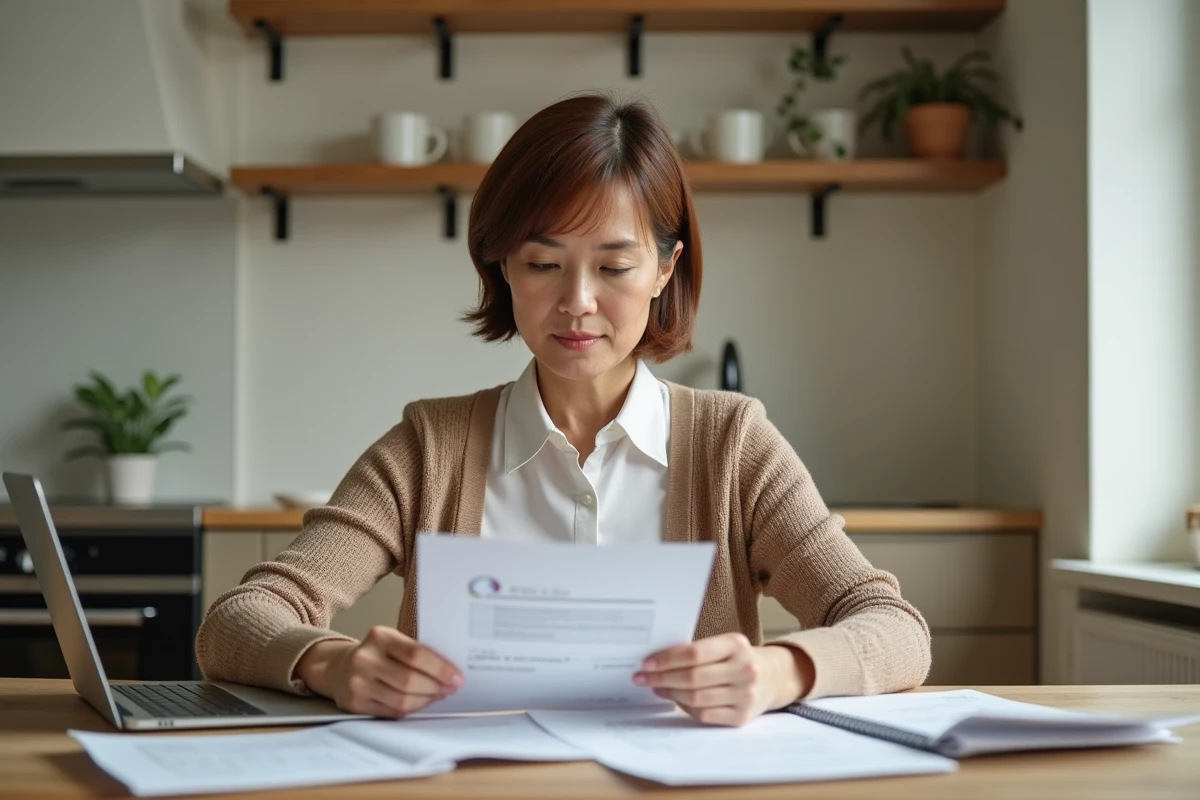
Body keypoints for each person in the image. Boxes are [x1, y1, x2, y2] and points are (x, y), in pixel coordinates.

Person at [196, 93, 931, 727]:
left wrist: (779, 674)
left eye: (614, 267)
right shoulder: (432, 447)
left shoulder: (733, 444)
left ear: (664, 269)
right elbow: (236, 621)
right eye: (543, 264)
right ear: (503, 268)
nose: (577, 301)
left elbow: (895, 628)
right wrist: (331, 665)